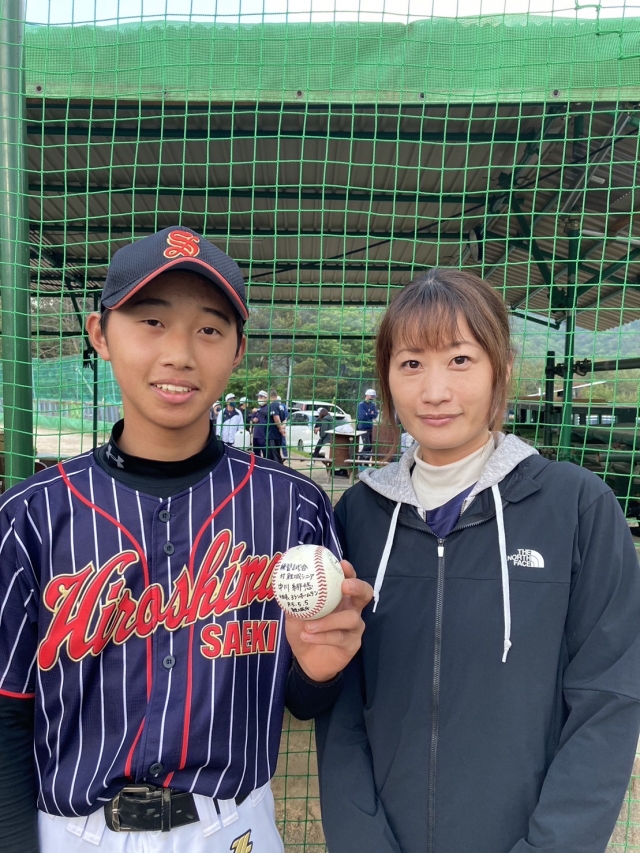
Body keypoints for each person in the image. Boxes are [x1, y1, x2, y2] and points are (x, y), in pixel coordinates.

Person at [0, 226, 373, 853]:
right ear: (100, 334)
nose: (179, 353)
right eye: (151, 321)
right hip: (74, 831)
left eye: (209, 329)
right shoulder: (30, 514)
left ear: (237, 349)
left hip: (233, 824)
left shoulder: (294, 506)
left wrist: (319, 673)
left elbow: (307, 698)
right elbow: (7, 710)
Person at [315, 268, 640, 853]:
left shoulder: (577, 507)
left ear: (502, 368)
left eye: (460, 359)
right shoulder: (358, 515)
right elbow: (341, 713)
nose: (435, 391)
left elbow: (609, 699)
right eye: (411, 363)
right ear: (387, 378)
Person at [266, 389, 286, 464]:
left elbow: (276, 418)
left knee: (274, 457)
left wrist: (280, 428)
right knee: (276, 454)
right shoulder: (280, 406)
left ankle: (279, 470)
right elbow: (285, 419)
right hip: (277, 435)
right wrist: (282, 428)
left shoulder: (273, 405)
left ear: (269, 396)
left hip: (272, 435)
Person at [356, 389, 378, 455]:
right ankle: (361, 459)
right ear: (367, 395)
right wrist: (370, 414)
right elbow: (362, 416)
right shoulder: (361, 405)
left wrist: (367, 414)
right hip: (363, 427)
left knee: (370, 446)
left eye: (374, 396)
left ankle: (366, 460)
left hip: (370, 427)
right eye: (372, 396)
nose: (373, 398)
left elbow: (375, 415)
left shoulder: (373, 405)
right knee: (367, 445)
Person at [251, 390, 268, 457]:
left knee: (265, 454)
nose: (259, 398)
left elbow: (267, 413)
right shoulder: (258, 408)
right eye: (258, 397)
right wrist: (253, 419)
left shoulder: (268, 407)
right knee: (256, 454)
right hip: (256, 435)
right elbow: (252, 417)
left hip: (263, 435)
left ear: (265, 398)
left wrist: (258, 410)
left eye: (261, 397)